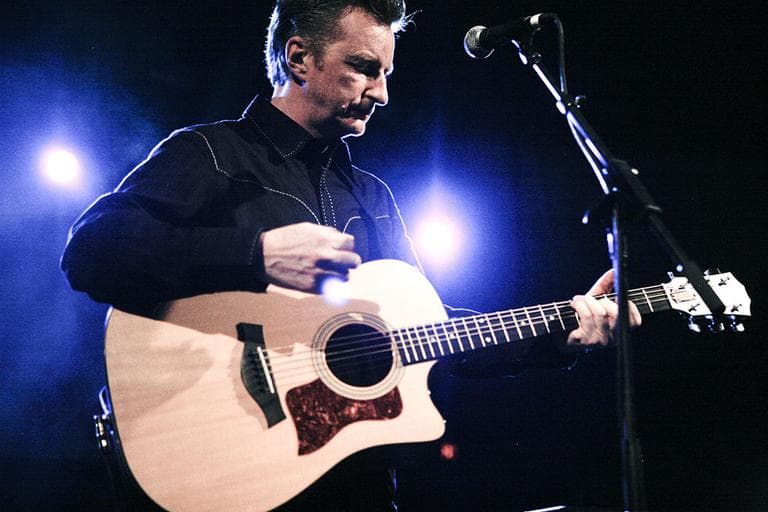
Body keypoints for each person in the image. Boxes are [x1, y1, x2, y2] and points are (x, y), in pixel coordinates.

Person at [61, 1, 640, 510]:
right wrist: (253, 254)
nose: (381, 93)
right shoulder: (211, 154)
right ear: (299, 58)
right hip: (225, 472)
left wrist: (560, 334)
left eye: (386, 73)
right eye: (364, 67)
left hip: (357, 491)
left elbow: (431, 334)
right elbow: (90, 250)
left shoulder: (372, 197)